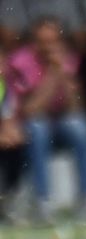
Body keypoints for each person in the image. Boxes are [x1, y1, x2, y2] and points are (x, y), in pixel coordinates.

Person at [8, 16, 86, 224]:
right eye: (43, 42)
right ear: (34, 43)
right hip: (26, 128)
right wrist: (53, 75)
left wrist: (66, 77)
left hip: (58, 125)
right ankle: (42, 204)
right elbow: (30, 110)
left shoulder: (69, 59)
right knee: (38, 126)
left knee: (79, 126)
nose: (48, 47)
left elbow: (76, 108)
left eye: (53, 41)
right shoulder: (20, 62)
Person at [0, 42, 24, 220]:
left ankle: (8, 200)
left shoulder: (4, 87)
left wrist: (11, 133)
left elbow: (7, 118)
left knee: (16, 144)